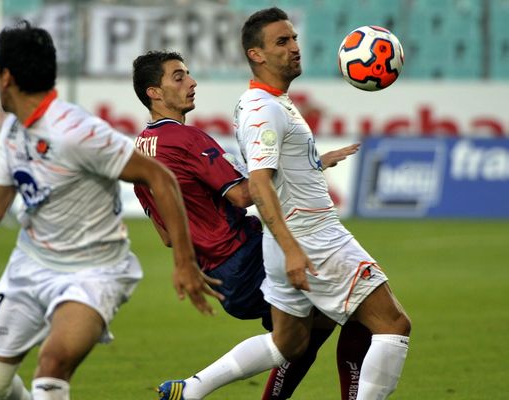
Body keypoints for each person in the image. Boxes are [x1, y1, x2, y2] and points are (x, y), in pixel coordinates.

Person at [0, 21, 222, 400]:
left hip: (94, 271)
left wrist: (184, 261)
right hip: (30, 266)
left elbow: (161, 177)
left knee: (52, 364)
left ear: (5, 77)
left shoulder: (77, 131)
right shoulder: (14, 131)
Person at [156, 7, 411, 400]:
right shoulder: (264, 110)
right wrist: (293, 249)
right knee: (392, 325)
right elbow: (258, 186)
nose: (295, 47)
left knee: (290, 343)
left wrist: (313, 163)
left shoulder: (264, 102)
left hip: (286, 242)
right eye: (282, 41)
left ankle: (191, 390)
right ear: (255, 55)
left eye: (293, 38)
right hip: (311, 237)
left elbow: (272, 171)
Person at [132, 50, 372, 400]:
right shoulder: (187, 139)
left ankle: (194, 391)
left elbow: (167, 236)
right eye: (179, 76)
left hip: (219, 274)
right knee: (359, 309)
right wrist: (306, 167)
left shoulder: (140, 151)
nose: (192, 82)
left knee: (305, 333)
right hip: (245, 258)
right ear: (154, 92)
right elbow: (245, 195)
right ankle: (194, 388)